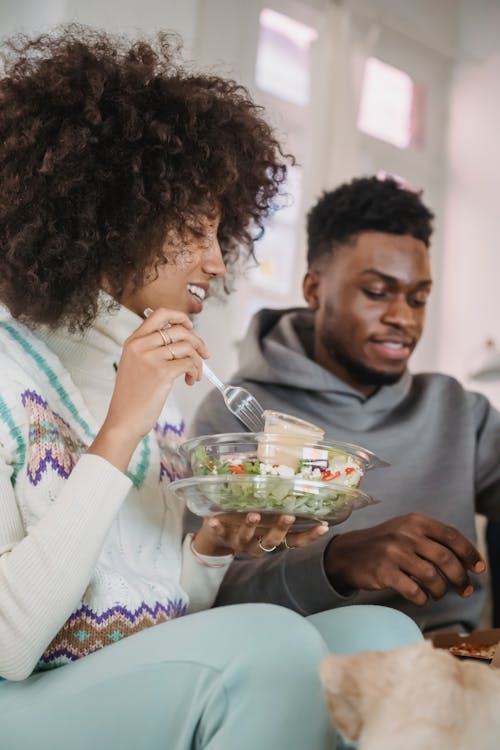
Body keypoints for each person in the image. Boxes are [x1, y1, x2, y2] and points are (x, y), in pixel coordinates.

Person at [0, 29, 422, 750]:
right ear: (112, 224)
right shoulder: (13, 379)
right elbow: (11, 644)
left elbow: (168, 621)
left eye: (220, 236)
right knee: (269, 647)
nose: (215, 263)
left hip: (112, 683)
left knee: (383, 636)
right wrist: (120, 430)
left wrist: (214, 546)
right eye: (194, 231)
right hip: (21, 701)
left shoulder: (149, 380)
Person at [194, 174, 500, 635]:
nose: (403, 318)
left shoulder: (458, 411)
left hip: (449, 671)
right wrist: (336, 562)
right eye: (377, 293)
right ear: (314, 289)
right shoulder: (236, 416)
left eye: (418, 299)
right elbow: (201, 595)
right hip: (303, 673)